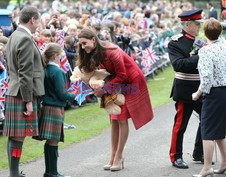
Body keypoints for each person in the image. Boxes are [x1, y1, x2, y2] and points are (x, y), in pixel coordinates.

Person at [77, 28, 153, 171]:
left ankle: (119, 156)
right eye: (80, 44)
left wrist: (104, 89)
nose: (83, 47)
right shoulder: (94, 52)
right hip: (113, 82)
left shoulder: (112, 51)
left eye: (84, 43)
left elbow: (123, 75)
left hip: (130, 81)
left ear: (93, 40)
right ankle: (112, 156)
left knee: (121, 117)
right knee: (113, 118)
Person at [2, 6, 45, 177]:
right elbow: (25, 71)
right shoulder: (25, 38)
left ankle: (13, 172)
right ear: (32, 20)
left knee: (14, 136)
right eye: (39, 20)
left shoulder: (14, 36)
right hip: (22, 93)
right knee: (18, 137)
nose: (39, 24)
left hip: (15, 89)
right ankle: (13, 174)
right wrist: (28, 100)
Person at [168, 9, 204, 169]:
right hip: (185, 90)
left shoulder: (202, 40)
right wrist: (200, 56)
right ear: (187, 24)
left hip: (202, 88)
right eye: (197, 24)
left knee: (207, 121)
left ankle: (199, 152)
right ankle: (176, 156)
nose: (199, 27)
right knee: (181, 125)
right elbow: (178, 65)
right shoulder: (176, 42)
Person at [192, 18, 226, 177]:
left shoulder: (205, 51)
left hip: (215, 93)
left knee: (207, 130)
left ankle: (207, 167)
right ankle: (224, 162)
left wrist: (197, 93)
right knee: (219, 130)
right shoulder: (224, 44)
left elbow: (206, 78)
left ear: (204, 33)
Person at [38, 43, 75, 177]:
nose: (62, 57)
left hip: (47, 106)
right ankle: (52, 172)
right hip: (54, 108)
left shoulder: (45, 69)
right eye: (61, 55)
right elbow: (63, 93)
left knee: (50, 141)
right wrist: (75, 95)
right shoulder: (58, 71)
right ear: (55, 56)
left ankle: (49, 172)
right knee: (53, 141)